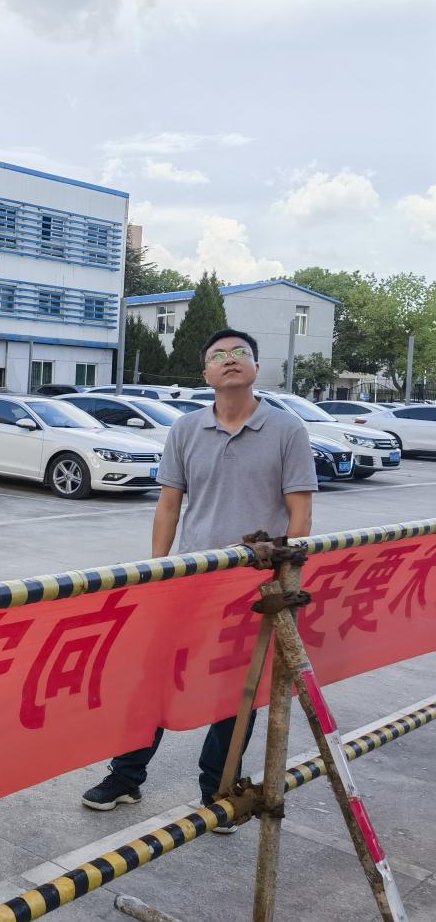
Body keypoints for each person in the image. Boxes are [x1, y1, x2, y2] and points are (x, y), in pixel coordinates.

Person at [81, 328, 316, 831]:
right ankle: (126, 776)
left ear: (256, 368)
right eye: (218, 355)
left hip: (256, 590)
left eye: (240, 353)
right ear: (205, 373)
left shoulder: (287, 430)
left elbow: (300, 511)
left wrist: (286, 576)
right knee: (153, 681)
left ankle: (218, 788)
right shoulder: (185, 430)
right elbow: (169, 505)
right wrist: (157, 571)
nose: (230, 360)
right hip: (191, 582)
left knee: (237, 693)